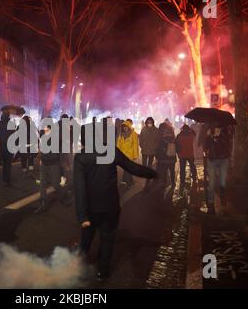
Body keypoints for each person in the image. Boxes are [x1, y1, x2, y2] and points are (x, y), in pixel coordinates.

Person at [74, 124, 157, 281]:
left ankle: (78, 265)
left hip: (90, 208)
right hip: (110, 206)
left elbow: (79, 187)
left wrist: (81, 215)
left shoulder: (81, 156)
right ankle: (102, 272)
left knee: (86, 237)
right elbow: (132, 168)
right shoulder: (111, 151)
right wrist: (152, 173)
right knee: (107, 238)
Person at [35, 122, 68, 214]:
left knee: (56, 185)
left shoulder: (57, 139)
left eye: (47, 128)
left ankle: (64, 197)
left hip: (54, 164)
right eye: (44, 128)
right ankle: (43, 203)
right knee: (42, 184)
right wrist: (41, 158)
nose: (45, 130)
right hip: (44, 164)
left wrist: (63, 165)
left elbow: (61, 153)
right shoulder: (42, 137)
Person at [204, 124, 232, 214]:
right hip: (212, 160)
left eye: (219, 127)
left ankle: (222, 193)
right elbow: (205, 147)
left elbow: (228, 147)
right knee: (212, 182)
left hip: (223, 159)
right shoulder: (209, 135)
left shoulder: (225, 135)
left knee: (222, 181)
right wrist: (210, 137)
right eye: (215, 127)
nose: (217, 129)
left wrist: (220, 137)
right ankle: (211, 203)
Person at [117, 120, 139, 187]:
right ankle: (130, 181)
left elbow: (135, 145)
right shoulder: (121, 135)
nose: (125, 128)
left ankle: (126, 181)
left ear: (129, 127)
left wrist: (135, 155)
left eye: (126, 127)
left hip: (130, 154)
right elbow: (118, 144)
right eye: (124, 127)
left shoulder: (133, 134)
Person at [175, 124, 197, 189]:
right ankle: (194, 178)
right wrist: (191, 129)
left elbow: (175, 144)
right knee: (192, 166)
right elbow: (194, 133)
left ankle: (182, 181)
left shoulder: (179, 136)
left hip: (182, 155)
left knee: (182, 168)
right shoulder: (192, 135)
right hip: (190, 154)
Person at [156, 122, 176, 187]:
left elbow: (159, 149)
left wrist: (158, 157)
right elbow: (178, 148)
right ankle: (173, 182)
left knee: (164, 171)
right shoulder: (174, 138)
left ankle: (164, 182)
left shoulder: (161, 139)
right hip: (172, 158)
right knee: (172, 170)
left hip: (164, 159)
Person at [0, 112, 15, 187]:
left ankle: (5, 178)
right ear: (8, 116)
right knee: (8, 164)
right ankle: (7, 180)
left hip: (2, 146)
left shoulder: (0, 124)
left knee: (4, 163)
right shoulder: (11, 124)